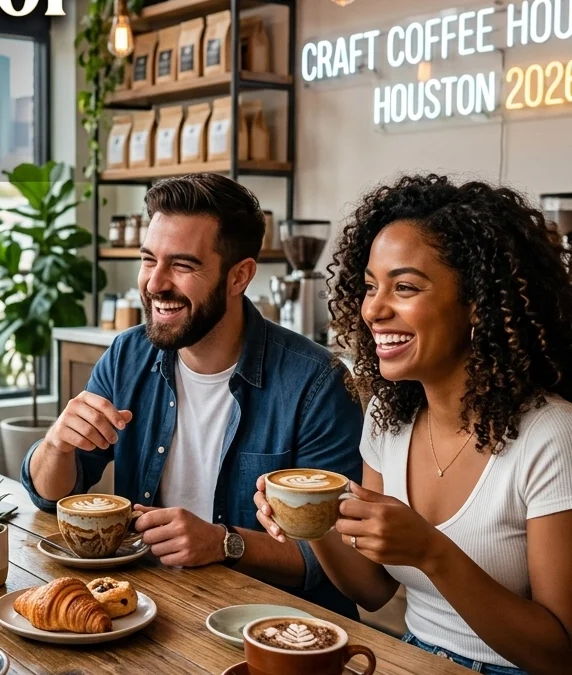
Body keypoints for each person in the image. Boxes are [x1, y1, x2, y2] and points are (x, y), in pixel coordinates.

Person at [254, 175, 572, 675]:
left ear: (478, 303)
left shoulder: (552, 434)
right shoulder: (387, 417)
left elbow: (560, 653)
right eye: (369, 287)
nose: (374, 310)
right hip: (412, 659)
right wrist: (309, 519)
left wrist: (432, 552)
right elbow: (373, 589)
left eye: (404, 287)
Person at [23, 173, 364, 617]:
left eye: (182, 266)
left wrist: (224, 543)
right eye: (149, 260)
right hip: (152, 610)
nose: (155, 284)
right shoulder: (128, 355)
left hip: (275, 629)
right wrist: (57, 444)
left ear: (238, 276)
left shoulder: (317, 383)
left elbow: (333, 563)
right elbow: (52, 495)